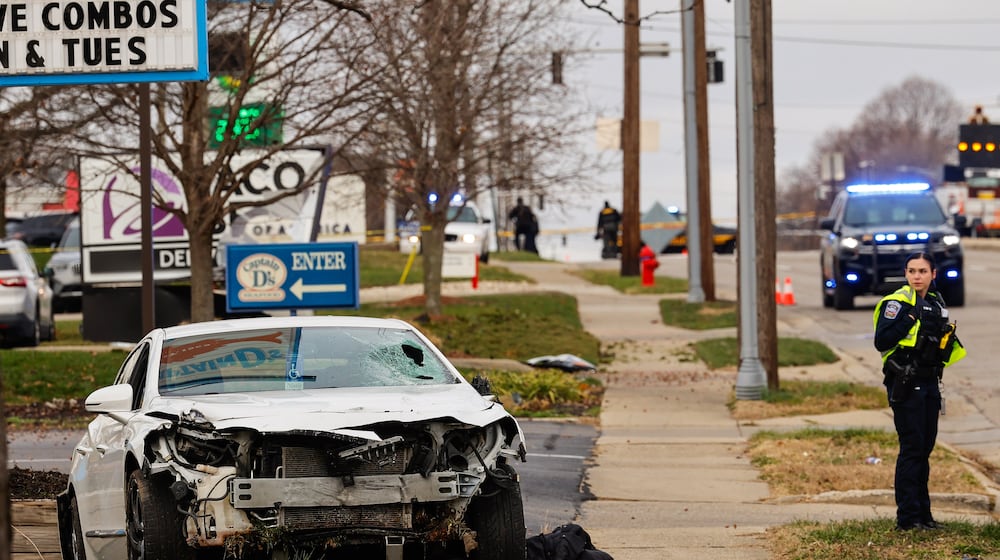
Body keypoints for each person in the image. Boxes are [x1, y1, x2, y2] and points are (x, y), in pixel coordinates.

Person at [872, 252, 967, 532]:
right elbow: (882, 341)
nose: (917, 276)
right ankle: (907, 519)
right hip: (905, 383)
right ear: (905, 273)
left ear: (933, 274)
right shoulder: (898, 303)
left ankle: (924, 516)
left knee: (924, 450)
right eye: (912, 271)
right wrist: (912, 315)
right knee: (912, 449)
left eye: (922, 271)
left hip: (929, 382)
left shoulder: (936, 302)